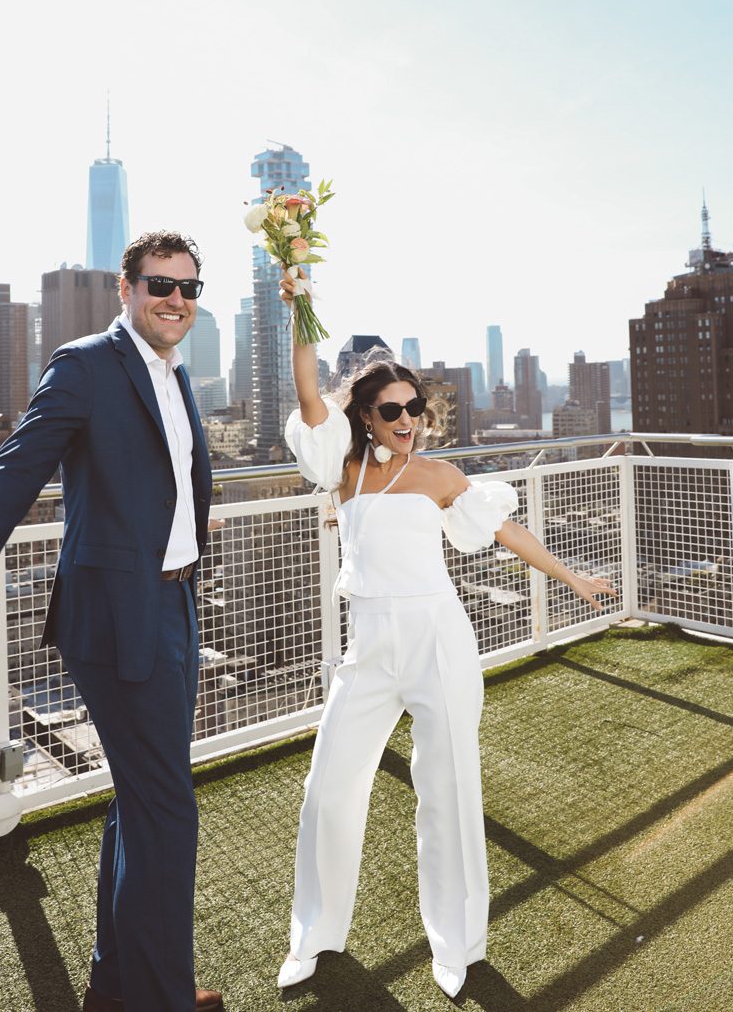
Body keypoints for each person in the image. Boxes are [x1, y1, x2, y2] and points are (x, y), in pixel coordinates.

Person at [0, 230, 224, 1012]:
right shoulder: (85, 365)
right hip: (118, 618)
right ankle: (163, 1000)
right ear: (127, 288)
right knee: (168, 808)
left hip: (175, 604)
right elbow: (15, 466)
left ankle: (115, 988)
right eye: (160, 285)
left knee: (145, 801)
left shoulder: (177, 378)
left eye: (189, 288)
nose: (176, 299)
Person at [276, 270, 617, 1000]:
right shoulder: (343, 469)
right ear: (364, 416)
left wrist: (575, 580)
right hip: (368, 646)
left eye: (416, 408)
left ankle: (458, 948)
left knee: (449, 792)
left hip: (438, 638)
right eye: (392, 409)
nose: (407, 420)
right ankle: (315, 936)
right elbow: (309, 391)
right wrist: (297, 302)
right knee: (329, 790)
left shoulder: (438, 475)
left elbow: (508, 530)